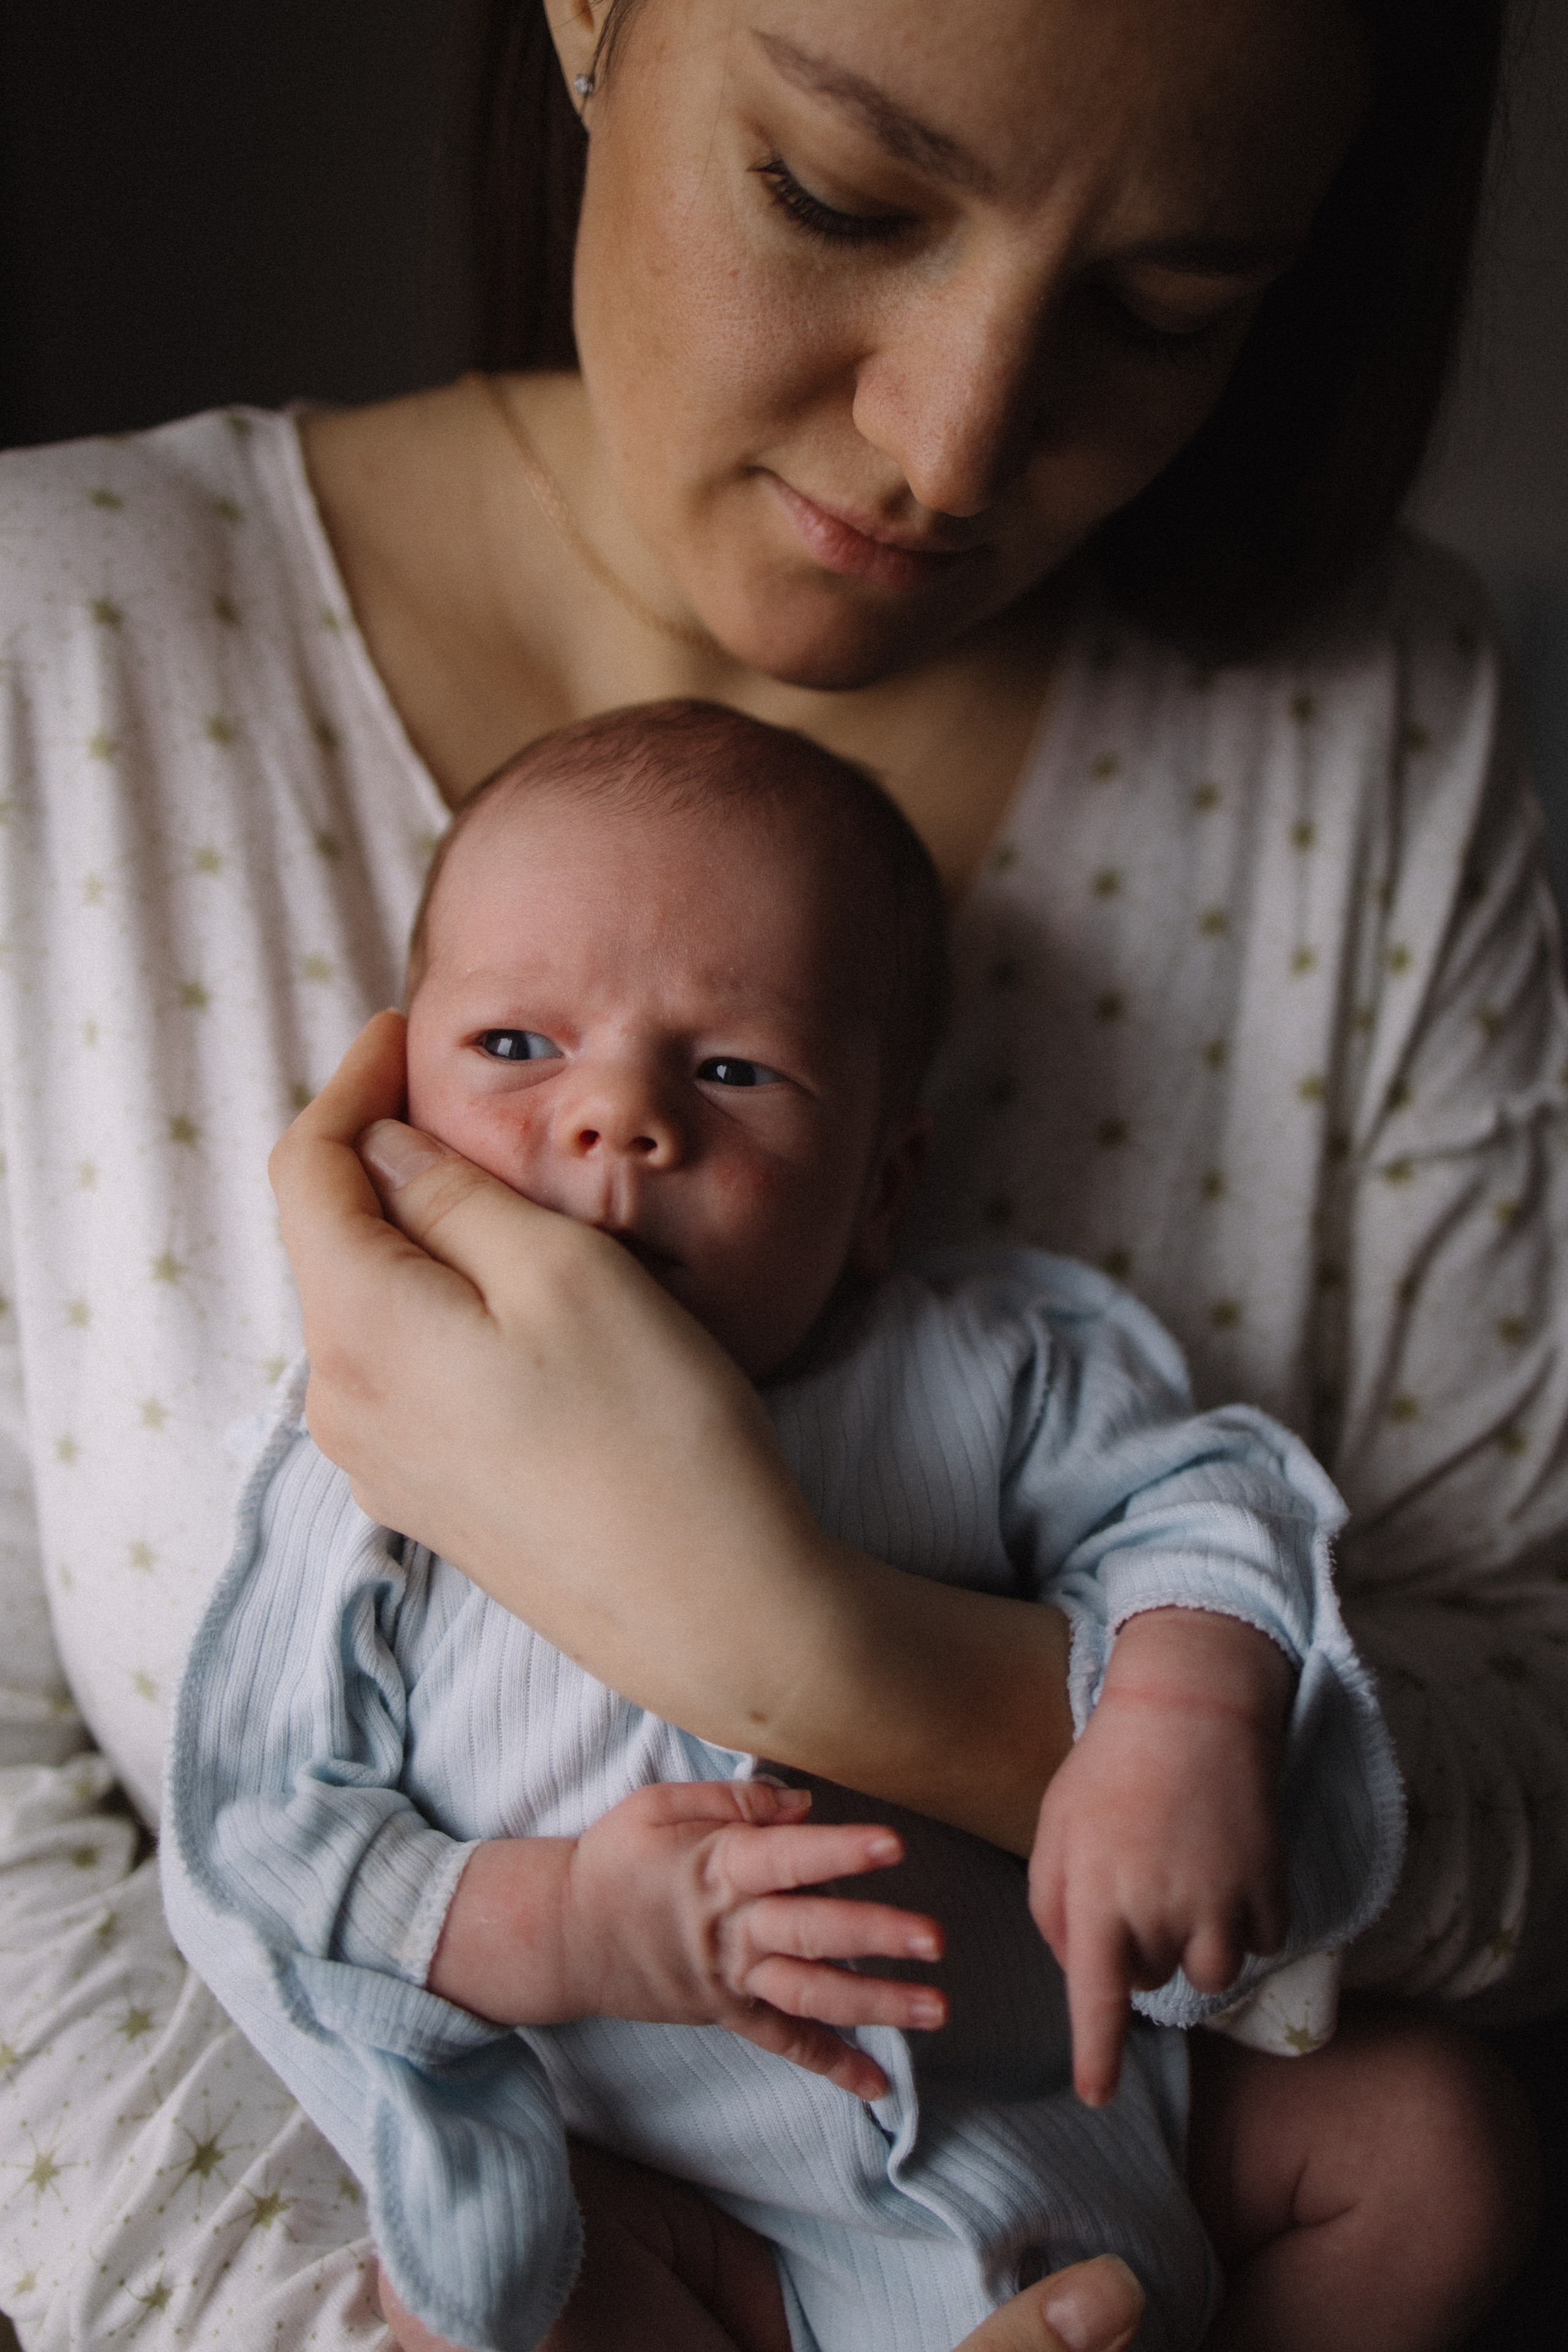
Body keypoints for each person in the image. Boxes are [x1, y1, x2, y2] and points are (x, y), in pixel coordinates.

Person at [0, 0, 1552, 2345]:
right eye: (842, 195)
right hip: (611, 2224)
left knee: (1450, 2159)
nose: (947, 444)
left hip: (1089, 2157)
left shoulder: (1362, 741)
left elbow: (1505, 1719)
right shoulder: (66, 643)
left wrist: (795, 1644)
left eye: (1161, 311)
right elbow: (190, 1856)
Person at [164, 701, 1403, 2352]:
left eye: (734, 1070)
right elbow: (257, 1836)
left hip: (1092, 2111)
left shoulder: (986, 1367)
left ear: (885, 1185)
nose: (616, 1116)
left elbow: (1210, 1499)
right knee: (505, 2303)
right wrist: (565, 1926)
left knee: (1438, 2153)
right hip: (705, 2218)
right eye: (516, 1049)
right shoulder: (366, 1457)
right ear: (392, 1113)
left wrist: (1179, 1708)